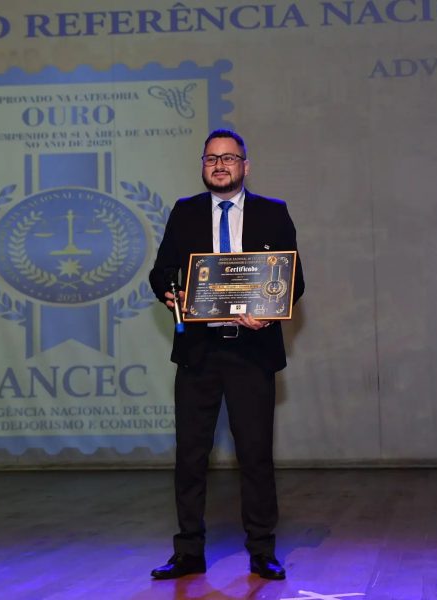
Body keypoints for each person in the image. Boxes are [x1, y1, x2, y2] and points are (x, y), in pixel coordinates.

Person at [148, 129, 305, 580]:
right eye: (211, 158)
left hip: (251, 353)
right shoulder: (185, 212)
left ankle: (262, 550)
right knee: (190, 456)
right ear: (203, 165)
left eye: (229, 158)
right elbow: (161, 272)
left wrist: (268, 314)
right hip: (198, 353)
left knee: (254, 455)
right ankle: (188, 551)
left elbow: (293, 280)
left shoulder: (273, 213)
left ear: (245, 166)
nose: (220, 165)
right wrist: (170, 291)